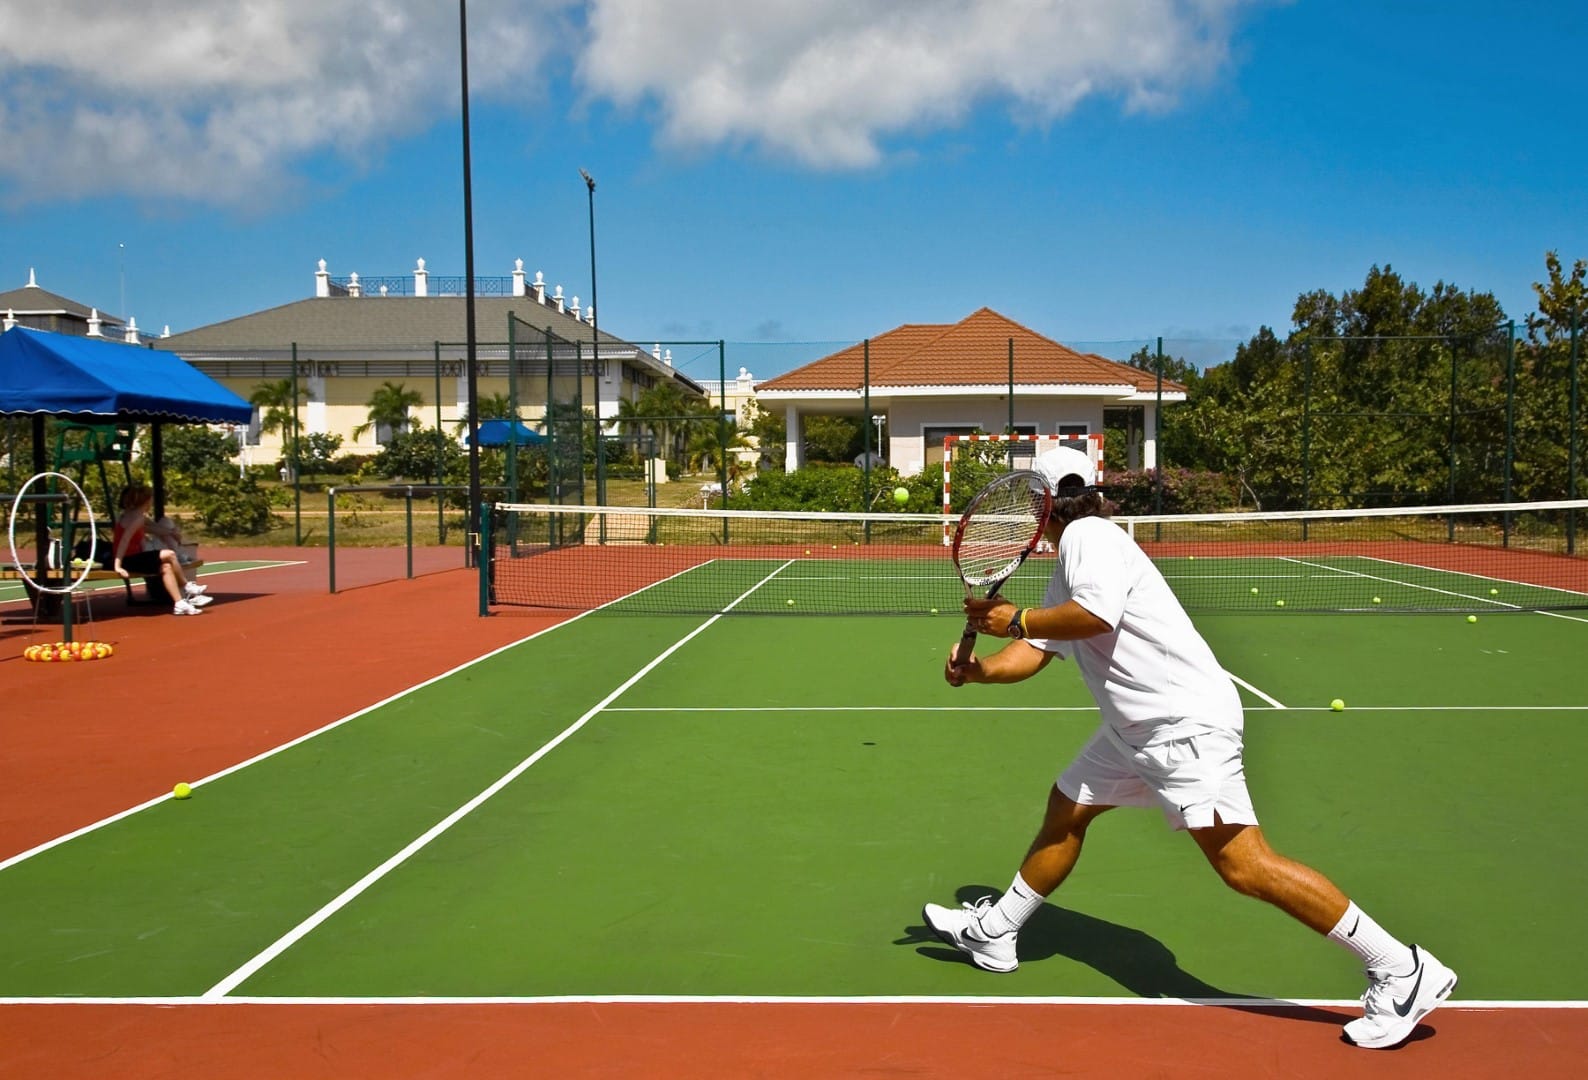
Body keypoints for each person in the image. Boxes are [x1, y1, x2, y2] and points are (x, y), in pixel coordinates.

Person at [924, 447, 1455, 1050]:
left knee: (1243, 864)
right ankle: (997, 932)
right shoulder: (1074, 559)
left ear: (1046, 503)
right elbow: (1045, 647)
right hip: (1136, 731)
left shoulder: (1090, 537)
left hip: (1180, 725)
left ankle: (1401, 969)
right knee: (1067, 806)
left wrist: (1016, 618)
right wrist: (982, 671)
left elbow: (1090, 618)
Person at [112, 484, 211, 616]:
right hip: (129, 559)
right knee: (169, 554)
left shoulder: (135, 515)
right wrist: (118, 566)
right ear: (147, 501)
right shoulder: (137, 518)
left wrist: (171, 532)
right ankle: (186, 586)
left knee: (166, 567)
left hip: (136, 557)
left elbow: (154, 528)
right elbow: (124, 540)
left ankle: (179, 603)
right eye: (151, 499)